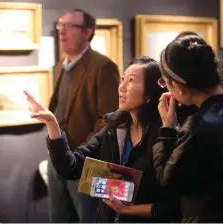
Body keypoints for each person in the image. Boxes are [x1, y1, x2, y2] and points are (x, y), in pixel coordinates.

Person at [24, 56, 181, 223]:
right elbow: (70, 167)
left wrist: (128, 210)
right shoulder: (113, 130)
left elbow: (174, 205)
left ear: (149, 94)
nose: (122, 87)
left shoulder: (165, 135)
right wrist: (52, 124)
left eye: (131, 81)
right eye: (122, 79)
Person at [46, 8, 120, 223]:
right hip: (58, 158)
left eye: (69, 26)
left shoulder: (102, 66)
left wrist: (80, 153)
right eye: (60, 25)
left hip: (85, 162)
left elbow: (109, 119)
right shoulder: (60, 66)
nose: (61, 32)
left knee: (89, 219)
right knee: (58, 219)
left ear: (87, 32)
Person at [153, 34, 223, 222]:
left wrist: (167, 130)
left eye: (165, 83)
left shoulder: (198, 126)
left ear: (180, 87)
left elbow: (168, 182)